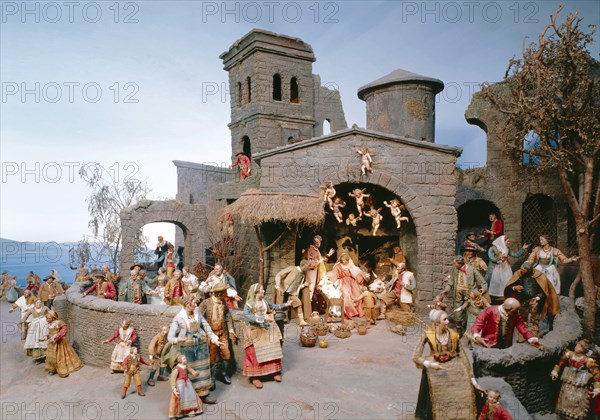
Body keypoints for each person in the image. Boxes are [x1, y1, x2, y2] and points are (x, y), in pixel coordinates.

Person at [413, 309, 482, 420]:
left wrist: (472, 380)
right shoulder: (428, 334)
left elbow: (463, 357)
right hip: (434, 366)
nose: (447, 321)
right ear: (436, 322)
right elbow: (416, 356)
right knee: (434, 395)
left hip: (453, 365)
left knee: (459, 391)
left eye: (447, 319)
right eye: (444, 319)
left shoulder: (453, 335)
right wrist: (429, 364)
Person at [167, 295, 224, 405]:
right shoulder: (179, 317)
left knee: (203, 371)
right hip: (186, 347)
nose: (196, 305)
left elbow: (206, 326)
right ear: (187, 304)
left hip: (201, 345)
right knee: (190, 371)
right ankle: (191, 396)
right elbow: (170, 337)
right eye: (194, 303)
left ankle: (204, 394)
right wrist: (177, 339)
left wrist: (214, 339)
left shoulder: (197, 313)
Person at [242, 283, 292, 389]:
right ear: (256, 292)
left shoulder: (264, 302)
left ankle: (273, 371)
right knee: (254, 352)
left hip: (267, 327)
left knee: (274, 347)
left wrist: (286, 305)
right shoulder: (249, 304)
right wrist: (261, 319)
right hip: (255, 329)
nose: (263, 291)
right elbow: (247, 316)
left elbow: (274, 307)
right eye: (261, 290)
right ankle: (255, 377)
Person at [504, 261, 560, 336]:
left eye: (523, 270)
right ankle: (523, 333)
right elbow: (510, 285)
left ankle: (534, 331)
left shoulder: (539, 276)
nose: (521, 271)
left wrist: (537, 298)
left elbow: (544, 291)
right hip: (523, 299)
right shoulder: (519, 274)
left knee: (534, 315)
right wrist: (514, 288)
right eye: (521, 269)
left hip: (535, 299)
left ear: (528, 270)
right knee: (522, 316)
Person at [198, 283, 237, 389]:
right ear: (219, 293)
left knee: (227, 355)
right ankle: (212, 378)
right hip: (211, 335)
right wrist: (200, 330)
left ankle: (223, 374)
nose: (225, 294)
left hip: (222, 333)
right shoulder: (206, 303)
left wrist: (230, 329)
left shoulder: (223, 302)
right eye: (224, 292)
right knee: (212, 357)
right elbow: (198, 317)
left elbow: (228, 315)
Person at [551, 339, 599, 420]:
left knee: (578, 400)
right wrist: (555, 371)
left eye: (580, 346)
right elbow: (560, 362)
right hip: (568, 380)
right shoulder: (569, 354)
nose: (577, 347)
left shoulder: (587, 360)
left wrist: (597, 387)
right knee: (565, 397)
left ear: (584, 349)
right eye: (577, 345)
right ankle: (563, 415)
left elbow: (596, 373)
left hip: (581, 383)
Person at [440, 256, 487, 336]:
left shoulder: (472, 269)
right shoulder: (455, 269)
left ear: (460, 263)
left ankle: (471, 330)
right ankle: (459, 329)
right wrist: (446, 290)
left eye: (455, 263)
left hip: (470, 292)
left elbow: (482, 281)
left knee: (471, 311)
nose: (454, 265)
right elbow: (450, 281)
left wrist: (483, 288)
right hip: (458, 292)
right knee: (457, 311)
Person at [471, 298, 542, 349]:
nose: (517, 312)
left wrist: (532, 339)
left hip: (506, 344)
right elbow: (478, 323)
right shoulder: (490, 311)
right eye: (515, 311)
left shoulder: (515, 314)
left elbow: (522, 327)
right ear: (508, 309)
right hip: (489, 343)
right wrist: (477, 337)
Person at [41, 310, 83, 377]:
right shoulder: (50, 324)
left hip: (60, 342)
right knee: (51, 356)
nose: (47, 320)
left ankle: (62, 370)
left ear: (53, 317)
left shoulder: (59, 322)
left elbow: (64, 330)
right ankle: (52, 369)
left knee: (61, 356)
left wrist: (57, 337)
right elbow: (50, 333)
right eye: (46, 318)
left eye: (48, 318)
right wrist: (44, 338)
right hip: (52, 343)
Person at [486, 236, 528, 302]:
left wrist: (523, 248)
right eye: (507, 241)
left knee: (506, 280)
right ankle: (495, 296)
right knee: (496, 281)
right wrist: (500, 259)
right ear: (503, 241)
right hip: (496, 267)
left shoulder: (507, 248)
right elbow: (491, 257)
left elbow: (515, 255)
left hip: (505, 267)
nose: (509, 242)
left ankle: (505, 294)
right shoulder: (493, 248)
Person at [326, 252, 366, 319]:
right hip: (343, 281)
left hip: (352, 281)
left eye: (345, 260)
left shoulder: (351, 266)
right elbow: (334, 273)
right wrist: (328, 276)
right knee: (346, 294)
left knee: (357, 293)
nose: (343, 261)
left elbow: (358, 272)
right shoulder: (338, 266)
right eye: (342, 260)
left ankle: (356, 311)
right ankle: (349, 312)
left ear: (348, 260)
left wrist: (363, 275)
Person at [302, 235, 334, 316]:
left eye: (319, 241)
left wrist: (327, 256)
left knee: (316, 290)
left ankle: (315, 309)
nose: (318, 243)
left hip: (317, 272)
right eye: (316, 242)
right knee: (310, 289)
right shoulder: (310, 250)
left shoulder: (316, 250)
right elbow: (310, 262)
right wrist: (319, 261)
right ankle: (307, 312)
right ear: (313, 242)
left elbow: (319, 259)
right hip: (312, 272)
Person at [273, 260, 310, 327]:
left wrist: (304, 285)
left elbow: (297, 286)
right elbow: (278, 275)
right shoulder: (292, 268)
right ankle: (279, 322)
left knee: (298, 303)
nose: (309, 268)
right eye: (308, 266)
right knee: (280, 307)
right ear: (304, 265)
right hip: (282, 291)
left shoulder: (303, 275)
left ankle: (302, 321)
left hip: (292, 294)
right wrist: (278, 286)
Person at [168, 354, 204, 419]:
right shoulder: (176, 369)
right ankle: (177, 413)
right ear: (179, 360)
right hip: (180, 385)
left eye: (185, 358)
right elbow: (172, 379)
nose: (186, 360)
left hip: (187, 383)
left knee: (190, 396)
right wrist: (173, 388)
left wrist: (196, 373)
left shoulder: (186, 366)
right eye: (184, 359)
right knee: (180, 398)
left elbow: (192, 371)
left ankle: (189, 410)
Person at [22, 299, 49, 363]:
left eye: (40, 302)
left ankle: (46, 356)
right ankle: (37, 358)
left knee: (45, 340)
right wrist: (23, 322)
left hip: (44, 326)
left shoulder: (45, 308)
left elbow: (51, 313)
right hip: (35, 327)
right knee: (35, 341)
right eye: (37, 303)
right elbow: (25, 316)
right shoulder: (31, 309)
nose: (39, 304)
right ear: (34, 303)